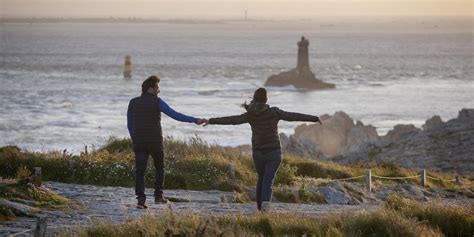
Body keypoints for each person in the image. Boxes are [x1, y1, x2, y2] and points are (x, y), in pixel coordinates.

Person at [203, 87, 321, 211]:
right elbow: (293, 116)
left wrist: (210, 120)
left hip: (258, 153)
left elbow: (232, 120)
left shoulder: (251, 114)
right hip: (273, 152)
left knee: (261, 179)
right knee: (267, 181)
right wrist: (314, 118)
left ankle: (260, 209)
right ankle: (264, 210)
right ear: (266, 100)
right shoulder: (274, 112)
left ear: (254, 99)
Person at [127, 75, 205, 209]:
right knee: (160, 168)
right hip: (155, 141)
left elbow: (129, 124)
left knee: (140, 171)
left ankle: (141, 200)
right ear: (151, 88)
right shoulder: (157, 102)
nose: (159, 90)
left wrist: (134, 138)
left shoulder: (133, 102)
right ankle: (158, 197)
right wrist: (194, 120)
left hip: (139, 142)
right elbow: (175, 115)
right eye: (157, 87)